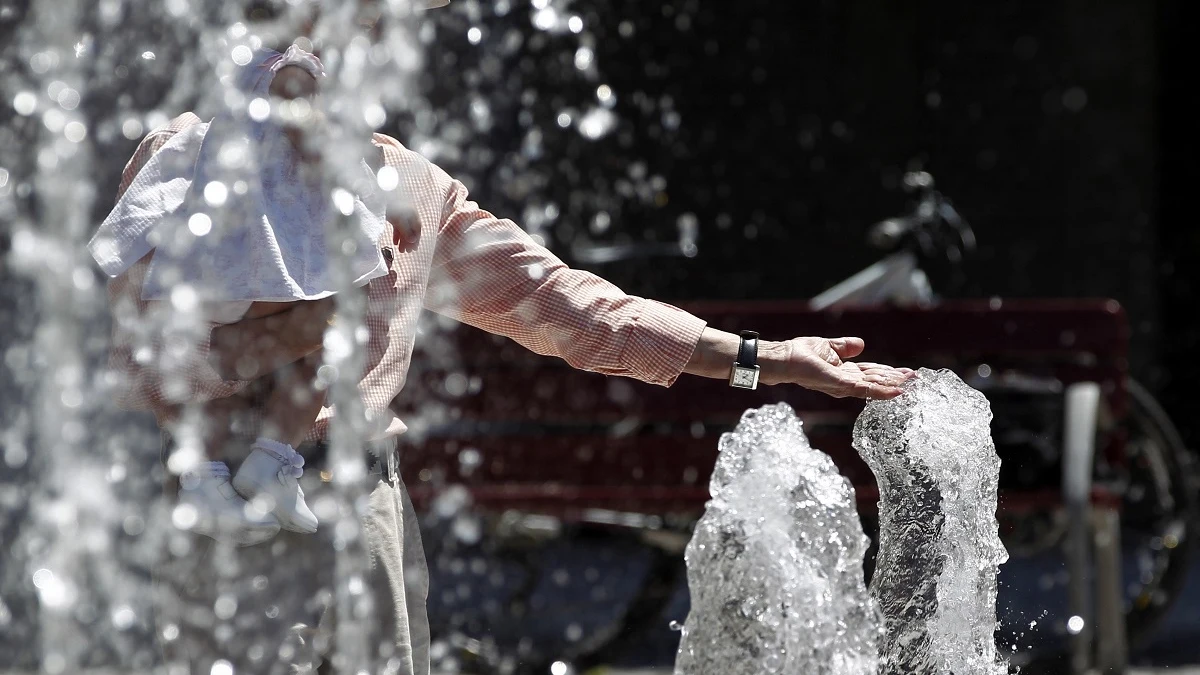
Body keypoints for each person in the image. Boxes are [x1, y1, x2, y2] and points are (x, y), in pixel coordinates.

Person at [98, 2, 915, 673]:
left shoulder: (411, 187)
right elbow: (137, 355)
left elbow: (573, 310)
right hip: (218, 514)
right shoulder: (192, 158)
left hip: (358, 506)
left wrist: (762, 360)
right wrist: (246, 365)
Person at [91, 46, 382, 544]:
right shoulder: (296, 69)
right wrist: (383, 197)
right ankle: (271, 459)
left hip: (205, 271)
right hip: (252, 267)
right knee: (337, 324)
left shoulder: (223, 91)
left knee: (190, 360)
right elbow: (313, 142)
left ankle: (203, 482)